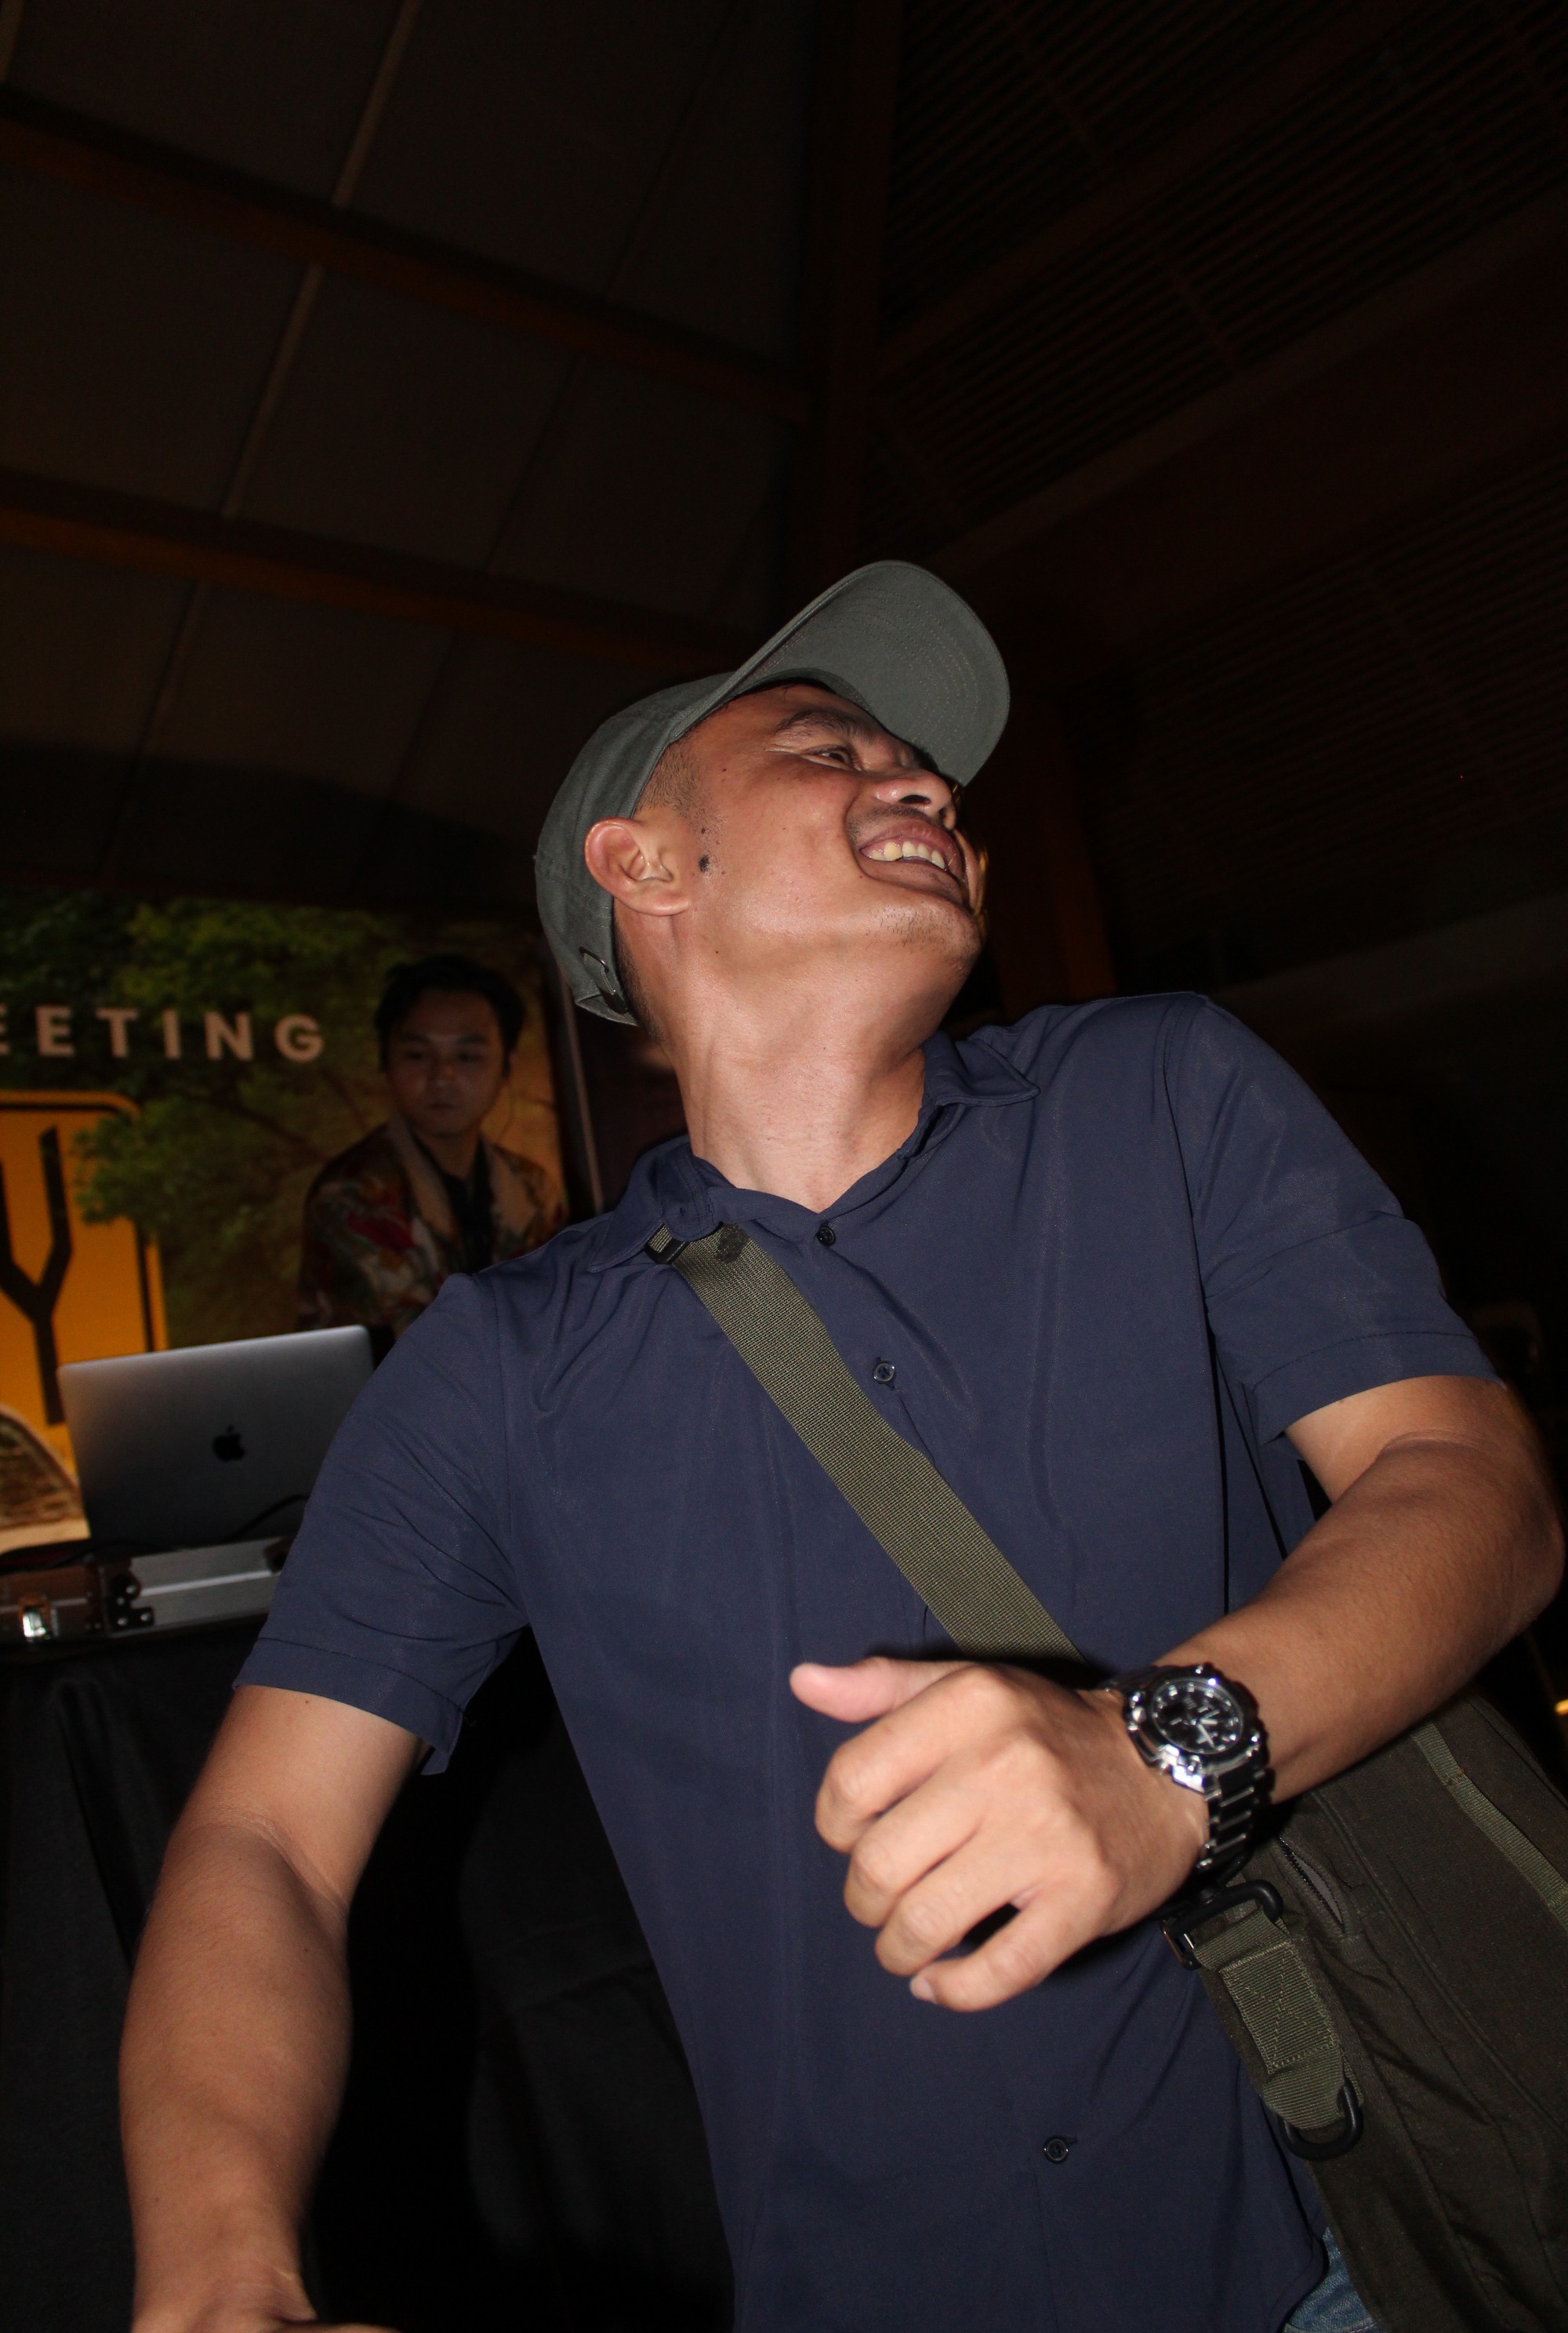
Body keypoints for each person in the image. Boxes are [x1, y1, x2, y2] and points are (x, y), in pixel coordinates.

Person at [122, 563, 1562, 2333]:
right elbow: (264, 1836)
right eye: (830, 746)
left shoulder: (1158, 1093)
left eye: (924, 766)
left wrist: (1159, 1762)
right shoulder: (500, 1367)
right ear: (646, 864)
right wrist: (218, 2282)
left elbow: (1468, 1482)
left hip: (1335, 2234)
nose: (924, 782)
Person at [296, 953, 562, 1342]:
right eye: (418, 1055)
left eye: (467, 1056)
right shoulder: (352, 1196)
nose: (442, 1076)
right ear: (386, 1061)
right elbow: (426, 1344)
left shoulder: (532, 1188)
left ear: (507, 1065)